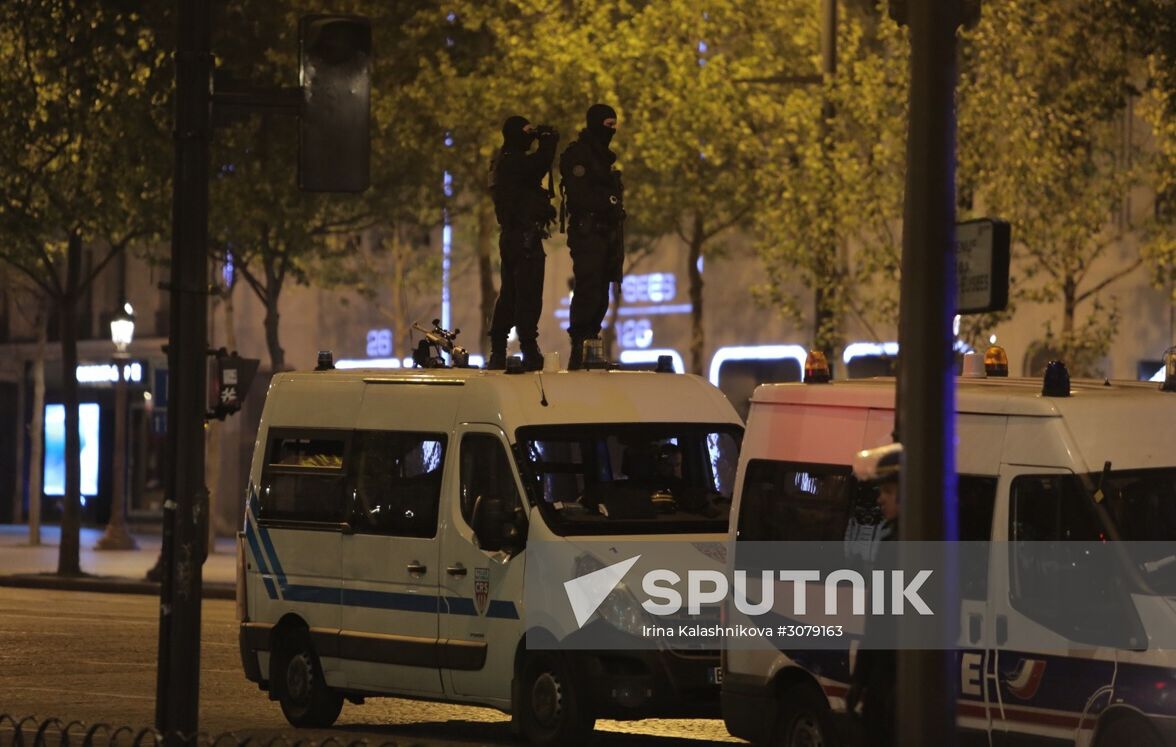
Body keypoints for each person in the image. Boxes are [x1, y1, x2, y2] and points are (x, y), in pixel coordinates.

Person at [487, 115, 559, 371]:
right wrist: (548, 143)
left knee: (511, 293)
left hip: (513, 237)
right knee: (526, 293)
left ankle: (499, 348)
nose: (531, 135)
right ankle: (528, 348)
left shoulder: (503, 161)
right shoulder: (513, 162)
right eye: (527, 131)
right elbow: (538, 165)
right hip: (523, 238)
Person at [559, 103, 625, 369]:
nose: (613, 130)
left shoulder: (604, 158)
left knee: (600, 292)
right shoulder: (579, 154)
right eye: (608, 125)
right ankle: (579, 349)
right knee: (588, 288)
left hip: (605, 233)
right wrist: (606, 201)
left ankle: (591, 348)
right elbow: (579, 195)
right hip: (587, 233)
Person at [847, 442, 901, 747]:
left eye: (888, 491)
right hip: (889, 681)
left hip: (894, 682)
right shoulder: (893, 541)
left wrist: (865, 681)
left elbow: (881, 622)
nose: (879, 499)